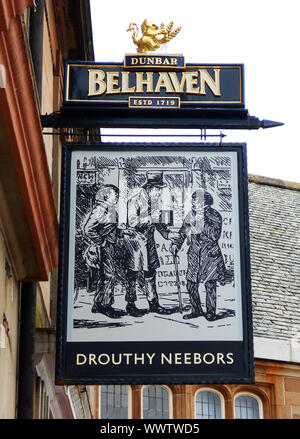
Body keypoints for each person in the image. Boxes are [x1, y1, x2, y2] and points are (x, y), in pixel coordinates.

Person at [170, 190, 226, 321]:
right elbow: (183, 232)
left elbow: (214, 235)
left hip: (210, 255)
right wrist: (176, 245)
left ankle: (211, 312)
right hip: (195, 254)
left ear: (205, 202)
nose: (194, 202)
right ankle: (196, 310)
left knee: (210, 285)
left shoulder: (215, 215)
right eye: (193, 200)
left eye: (197, 200)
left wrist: (200, 221)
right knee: (191, 284)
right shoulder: (191, 215)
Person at [125, 171, 175, 317]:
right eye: (158, 189)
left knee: (151, 272)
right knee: (133, 274)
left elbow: (158, 223)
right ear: (149, 187)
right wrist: (150, 218)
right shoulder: (135, 199)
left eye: (160, 189)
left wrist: (167, 235)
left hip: (148, 241)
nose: (159, 192)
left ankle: (153, 303)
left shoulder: (154, 202)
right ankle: (130, 304)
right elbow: (132, 222)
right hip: (135, 242)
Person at [82, 184, 131, 318]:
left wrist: (123, 232)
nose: (117, 198)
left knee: (106, 276)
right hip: (103, 248)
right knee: (109, 276)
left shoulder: (109, 209)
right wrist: (101, 242)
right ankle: (106, 306)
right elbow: (88, 229)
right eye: (115, 195)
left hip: (108, 247)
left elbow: (109, 229)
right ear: (105, 196)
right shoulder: (101, 209)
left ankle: (98, 304)